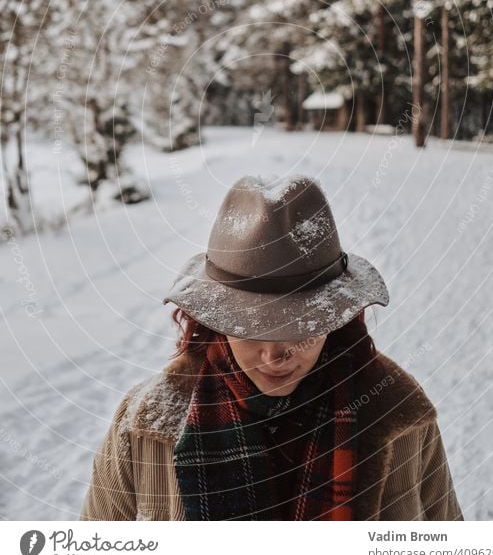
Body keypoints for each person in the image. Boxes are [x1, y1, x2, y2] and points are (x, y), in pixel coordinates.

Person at [80, 173, 463, 521]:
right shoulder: (143, 425)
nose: (274, 355)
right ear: (214, 322)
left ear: (336, 318)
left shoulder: (399, 414)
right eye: (248, 327)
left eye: (299, 328)